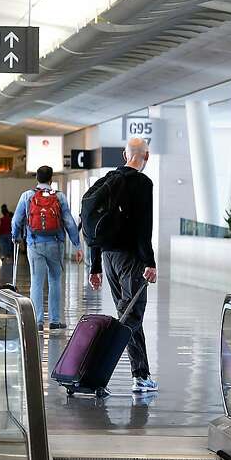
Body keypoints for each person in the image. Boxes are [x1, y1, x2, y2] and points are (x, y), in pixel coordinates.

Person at [87, 137, 159, 393]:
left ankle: (141, 375)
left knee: (127, 315)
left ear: (124, 155)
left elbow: (93, 224)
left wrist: (94, 265)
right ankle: (96, 371)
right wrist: (149, 262)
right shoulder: (142, 183)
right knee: (130, 318)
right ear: (146, 157)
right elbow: (144, 228)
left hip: (108, 259)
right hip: (131, 260)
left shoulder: (106, 181)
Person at [12, 166, 84, 332]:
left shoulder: (27, 196)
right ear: (51, 179)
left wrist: (15, 237)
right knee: (55, 281)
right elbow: (69, 222)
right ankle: (55, 320)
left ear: (37, 178)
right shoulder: (59, 197)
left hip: (34, 244)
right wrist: (77, 245)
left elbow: (16, 220)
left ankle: (36, 321)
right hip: (55, 244)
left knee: (36, 282)